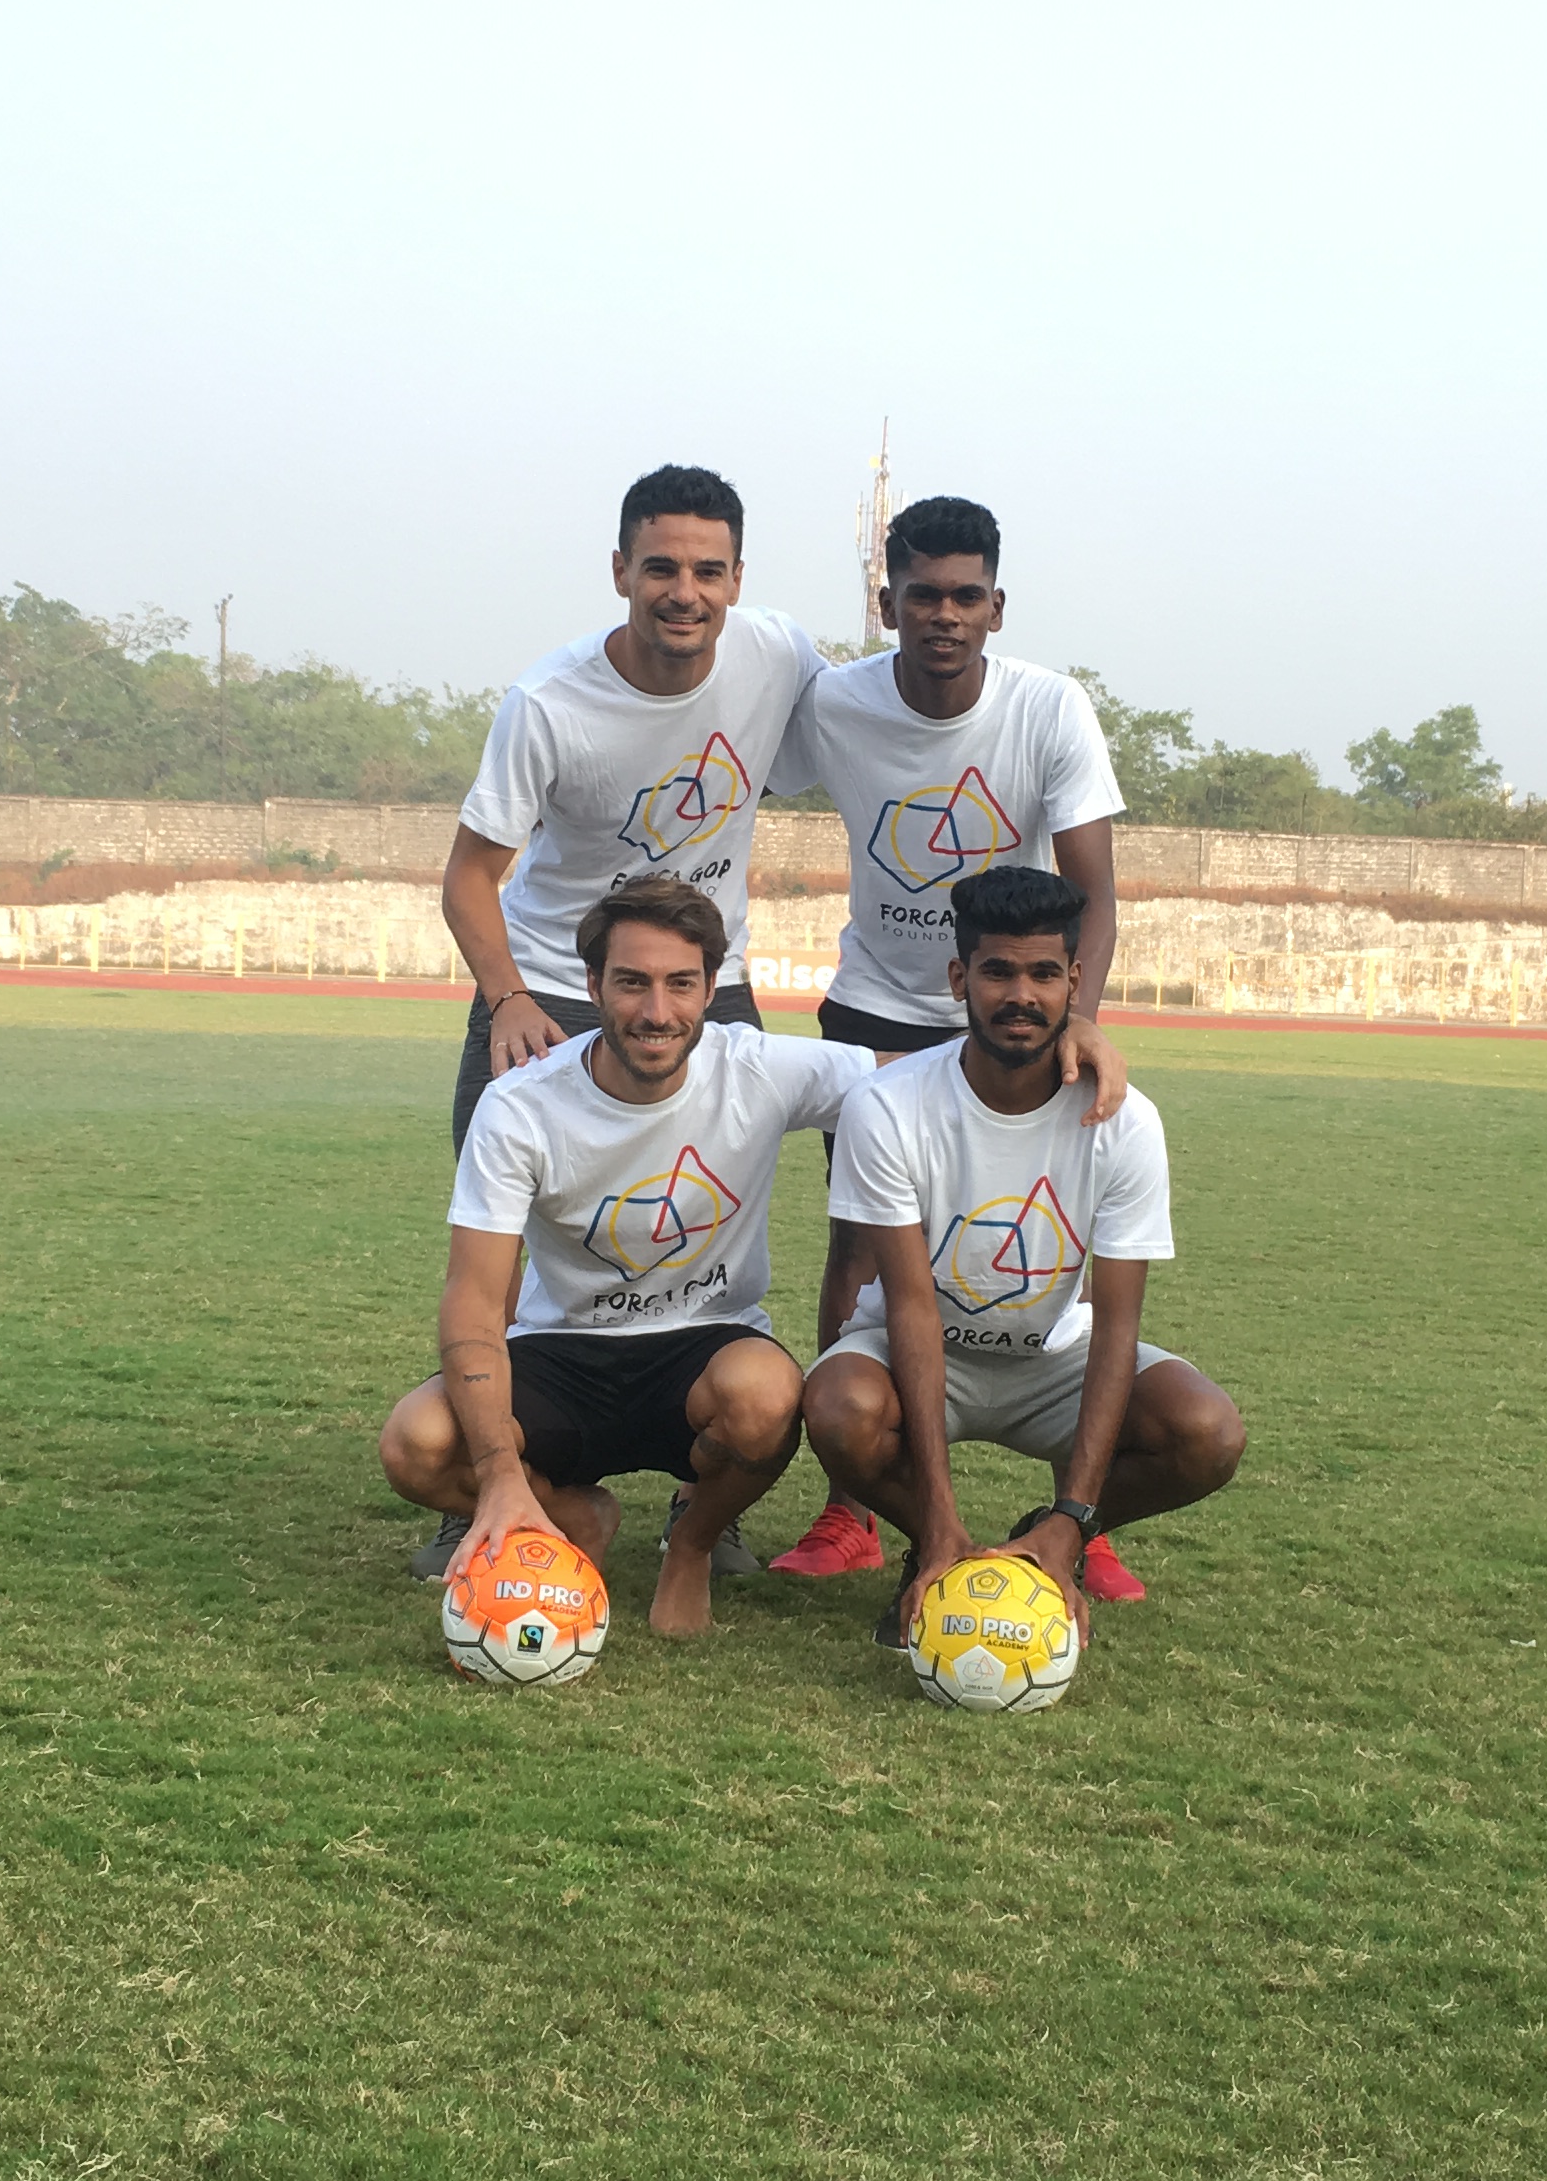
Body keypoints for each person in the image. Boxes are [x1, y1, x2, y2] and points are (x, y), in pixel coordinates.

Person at [411, 460, 819, 1574]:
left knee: (712, 1211)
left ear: (738, 580)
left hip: (699, 975)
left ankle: (714, 1496)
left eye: (705, 570)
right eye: (659, 568)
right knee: (502, 1244)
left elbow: (881, 737)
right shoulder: (550, 705)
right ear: (620, 572)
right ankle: (498, 1480)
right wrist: (506, 1002)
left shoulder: (778, 654)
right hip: (547, 979)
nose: (682, 592)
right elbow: (468, 879)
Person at [760, 494, 1140, 1595]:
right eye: (922, 594)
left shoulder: (1049, 710)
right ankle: (853, 1511)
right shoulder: (835, 703)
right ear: (888, 603)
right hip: (881, 1001)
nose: (944, 615)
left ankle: (1079, 1508)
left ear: (997, 605)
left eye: (966, 595)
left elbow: (1094, 891)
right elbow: (733, 752)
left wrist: (1080, 1017)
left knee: (1053, 1242)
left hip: (1012, 998)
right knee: (864, 1255)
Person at [381, 880, 874, 1642]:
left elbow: (925, 1077)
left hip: (705, 1346)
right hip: (562, 1349)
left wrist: (1065, 1037)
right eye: (632, 982)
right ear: (592, 985)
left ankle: (693, 1544)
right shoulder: (520, 1106)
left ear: (712, 988)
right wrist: (502, 1477)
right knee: (417, 1445)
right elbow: (474, 1301)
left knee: (768, 1395)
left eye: (681, 984)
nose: (656, 1011)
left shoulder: (758, 1071)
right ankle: (572, 1515)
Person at [802, 862, 1241, 1654]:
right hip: (920, 1351)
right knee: (839, 1406)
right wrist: (937, 1522)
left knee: (1206, 1433)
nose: (1021, 995)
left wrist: (1072, 1519)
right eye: (997, 971)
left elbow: (1115, 1327)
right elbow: (910, 1307)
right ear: (958, 977)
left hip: (1054, 1358)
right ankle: (939, 1550)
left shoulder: (1124, 1122)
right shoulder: (890, 1105)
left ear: (1075, 981)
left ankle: (1040, 1542)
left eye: (1044, 973)